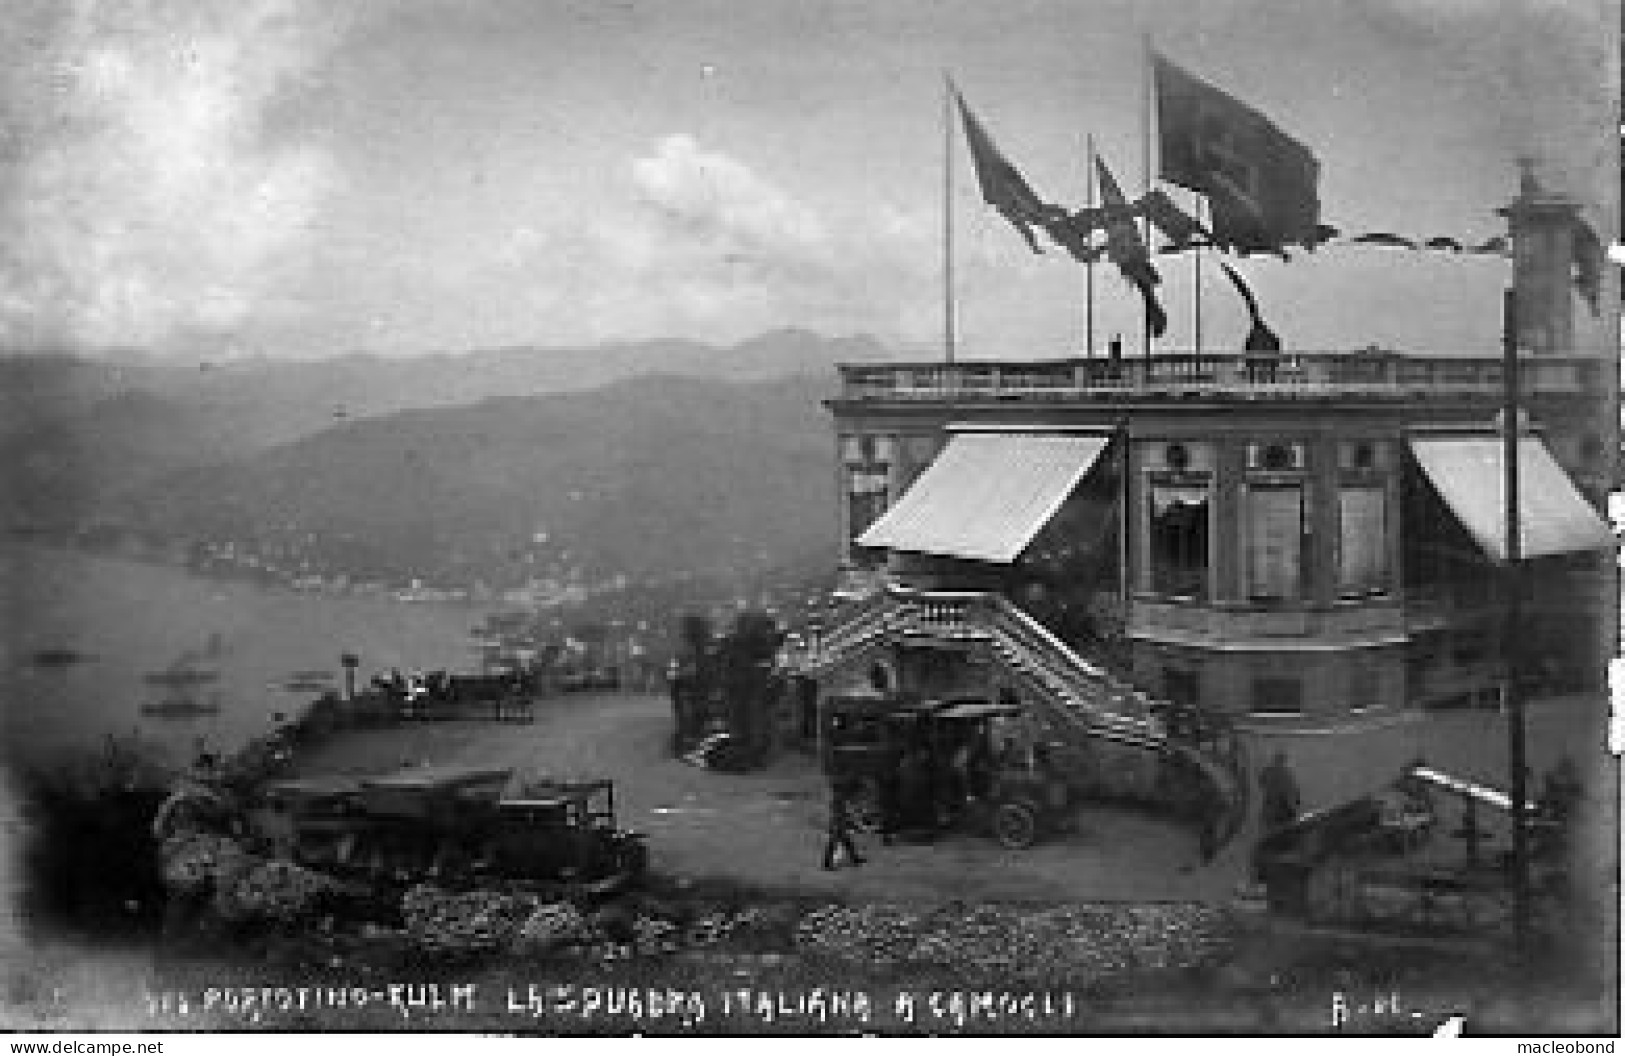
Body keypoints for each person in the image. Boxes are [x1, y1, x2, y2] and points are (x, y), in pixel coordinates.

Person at [822, 777, 866, 870]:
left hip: (840, 823)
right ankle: (828, 864)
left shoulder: (839, 799)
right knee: (833, 844)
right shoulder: (838, 799)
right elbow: (839, 814)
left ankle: (855, 859)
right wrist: (851, 824)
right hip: (837, 824)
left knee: (847, 842)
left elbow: (843, 813)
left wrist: (851, 823)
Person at [1258, 751, 1301, 832]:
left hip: (1272, 811)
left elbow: (1261, 782)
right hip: (1282, 811)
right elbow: (1292, 793)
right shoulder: (1286, 774)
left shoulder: (1269, 771)